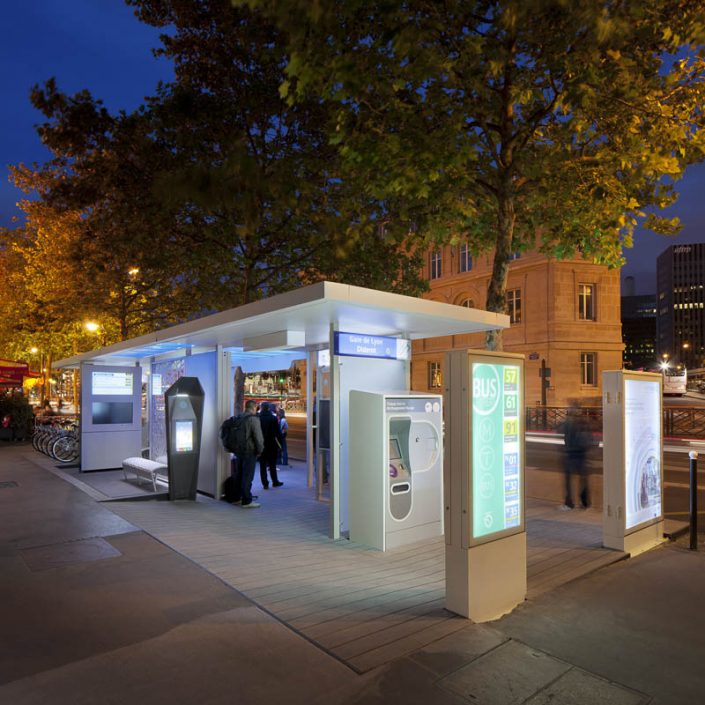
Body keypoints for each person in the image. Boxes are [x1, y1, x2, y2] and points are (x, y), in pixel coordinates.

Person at [557, 403, 593, 510]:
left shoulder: (567, 423)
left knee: (568, 479)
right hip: (581, 454)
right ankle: (585, 503)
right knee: (583, 478)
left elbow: (559, 430)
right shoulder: (584, 423)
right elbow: (590, 438)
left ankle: (569, 503)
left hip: (571, 454)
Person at [230, 400, 265, 508]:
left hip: (238, 451)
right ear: (254, 407)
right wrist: (260, 450)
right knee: (247, 476)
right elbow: (258, 437)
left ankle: (236, 498)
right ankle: (247, 500)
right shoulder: (253, 419)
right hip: (249, 451)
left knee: (238, 475)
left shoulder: (239, 417)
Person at [258, 401, 283, 489]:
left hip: (260, 444)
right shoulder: (273, 418)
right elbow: (278, 433)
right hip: (272, 444)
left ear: (261, 408)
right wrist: (281, 444)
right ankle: (275, 481)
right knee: (272, 464)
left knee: (262, 465)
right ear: (268, 408)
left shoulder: (257, 417)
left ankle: (265, 484)